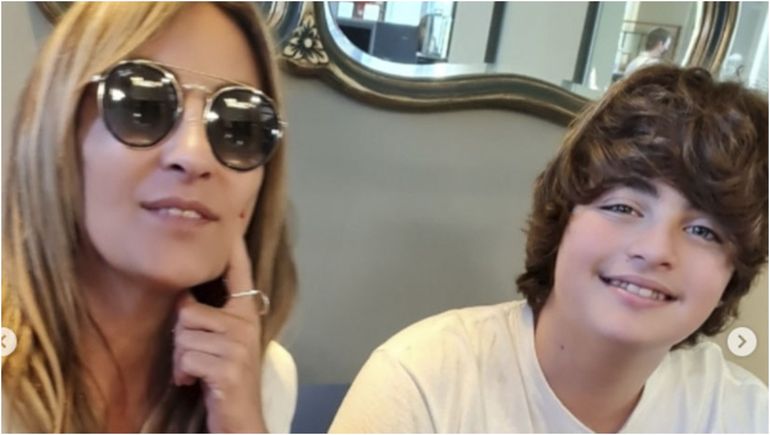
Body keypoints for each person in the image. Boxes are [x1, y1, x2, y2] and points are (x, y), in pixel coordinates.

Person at [330, 65, 768, 433]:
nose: (655, 250)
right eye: (622, 207)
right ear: (562, 222)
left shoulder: (743, 414)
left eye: (704, 231)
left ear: (735, 274)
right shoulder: (422, 384)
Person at [2, 2, 298, 432]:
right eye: (142, 106)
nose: (194, 155)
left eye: (239, 125)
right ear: (59, 130)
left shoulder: (258, 380)